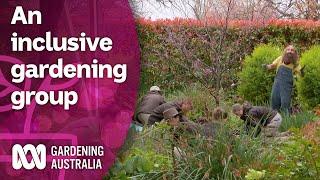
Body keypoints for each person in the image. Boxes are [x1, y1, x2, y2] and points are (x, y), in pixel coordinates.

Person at [265, 45, 301, 113]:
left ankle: (286, 121)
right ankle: (275, 118)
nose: (290, 51)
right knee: (274, 100)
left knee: (285, 103)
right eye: (288, 50)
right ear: (285, 51)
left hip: (287, 86)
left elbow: (300, 73)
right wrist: (267, 66)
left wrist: (301, 74)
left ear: (295, 53)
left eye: (292, 50)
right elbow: (272, 65)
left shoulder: (295, 64)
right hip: (277, 84)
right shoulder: (280, 59)